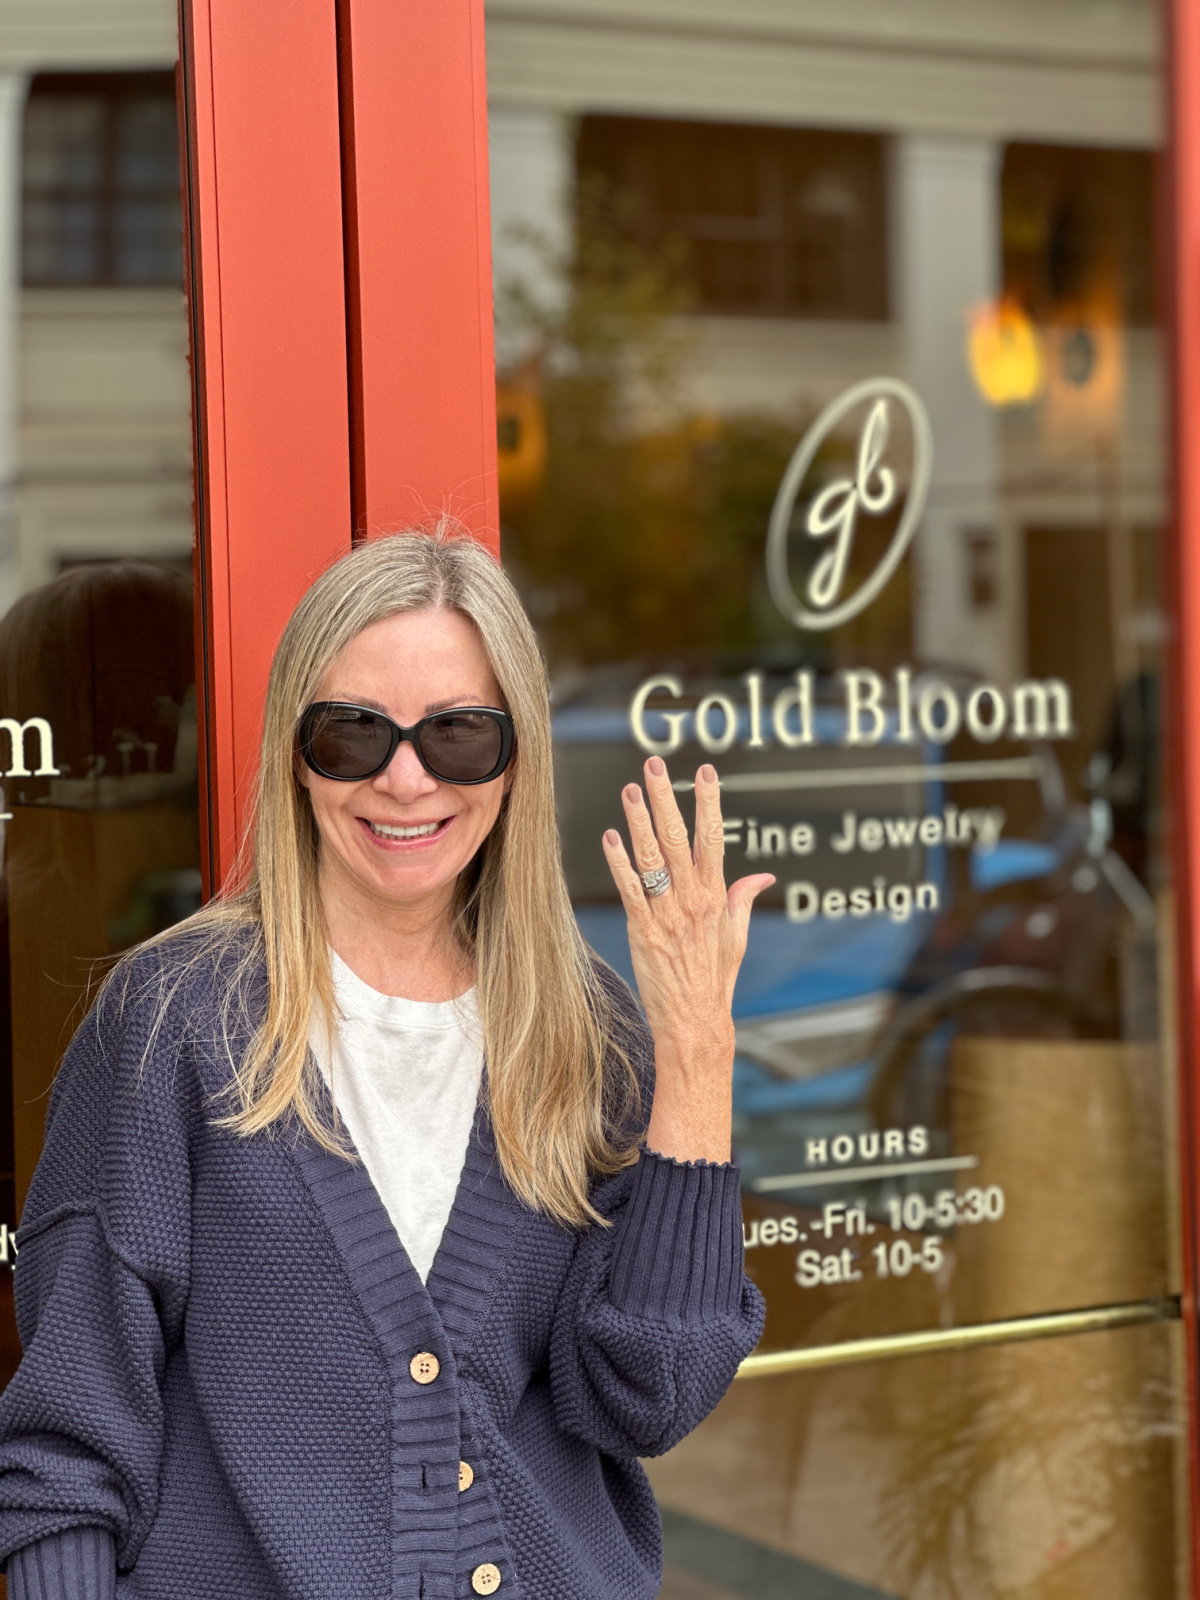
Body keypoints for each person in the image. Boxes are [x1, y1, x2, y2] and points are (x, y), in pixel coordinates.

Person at [0, 530, 771, 1600]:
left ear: (517, 755)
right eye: (354, 734)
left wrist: (694, 1047)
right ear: (294, 751)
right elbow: (66, 1457)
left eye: (458, 733)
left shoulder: (586, 1033)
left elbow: (651, 1396)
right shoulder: (174, 1018)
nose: (407, 780)